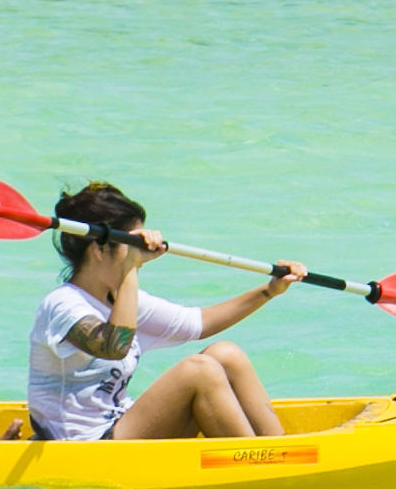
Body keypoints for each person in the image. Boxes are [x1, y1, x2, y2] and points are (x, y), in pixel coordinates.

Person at [26, 181, 303, 440]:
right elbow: (113, 346)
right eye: (132, 246)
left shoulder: (122, 299)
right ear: (99, 249)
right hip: (83, 444)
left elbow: (199, 323)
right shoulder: (62, 304)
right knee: (200, 370)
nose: (143, 258)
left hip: (121, 425)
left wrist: (269, 291)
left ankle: (282, 453)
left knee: (226, 354)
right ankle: (256, 465)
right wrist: (131, 267)